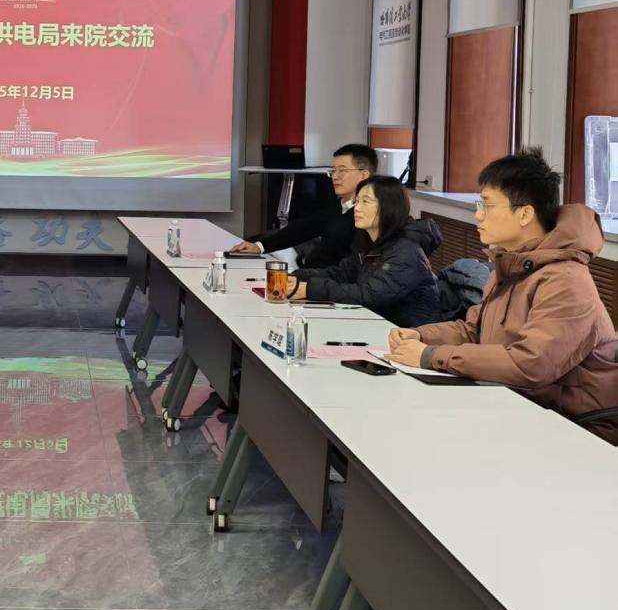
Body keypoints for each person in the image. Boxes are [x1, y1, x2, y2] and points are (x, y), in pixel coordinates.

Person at [388, 149, 618, 442]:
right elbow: (474, 331)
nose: (478, 215)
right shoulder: (511, 266)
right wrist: (421, 336)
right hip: (522, 404)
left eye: (487, 205)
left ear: (525, 214)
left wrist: (431, 356)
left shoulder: (566, 280)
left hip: (577, 426)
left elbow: (531, 365)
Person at [290, 176, 442, 326]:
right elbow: (341, 273)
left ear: (388, 206)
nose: (357, 208)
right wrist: (295, 277)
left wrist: (310, 289)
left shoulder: (407, 251)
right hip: (375, 323)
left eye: (365, 202)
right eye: (356, 201)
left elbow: (370, 295)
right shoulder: (371, 242)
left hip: (408, 333)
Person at [231, 143, 378, 268]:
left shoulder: (371, 216)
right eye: (333, 170)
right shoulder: (339, 205)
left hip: (328, 283)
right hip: (312, 273)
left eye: (342, 170)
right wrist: (259, 246)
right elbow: (303, 228)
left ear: (363, 175)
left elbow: (350, 267)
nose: (335, 176)